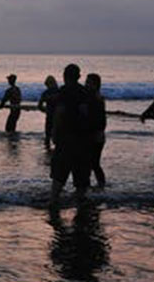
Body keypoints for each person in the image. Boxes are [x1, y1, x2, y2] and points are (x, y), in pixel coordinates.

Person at [49, 63, 93, 207]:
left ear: (65, 76)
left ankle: (54, 202)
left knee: (59, 175)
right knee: (81, 176)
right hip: (82, 139)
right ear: (79, 76)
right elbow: (87, 114)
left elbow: (59, 113)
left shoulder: (64, 92)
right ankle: (80, 205)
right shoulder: (84, 92)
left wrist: (53, 133)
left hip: (65, 138)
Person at [86, 73, 106, 189]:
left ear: (95, 84)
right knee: (93, 163)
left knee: (92, 163)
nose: (86, 84)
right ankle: (100, 184)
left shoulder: (95, 98)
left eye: (88, 82)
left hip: (96, 135)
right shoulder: (95, 97)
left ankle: (99, 185)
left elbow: (99, 120)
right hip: (96, 134)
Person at [38, 75, 59, 149]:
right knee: (58, 137)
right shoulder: (59, 91)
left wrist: (45, 110)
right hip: (58, 116)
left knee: (48, 136)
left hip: (50, 115)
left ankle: (48, 150)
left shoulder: (45, 93)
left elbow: (39, 106)